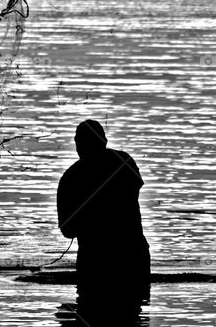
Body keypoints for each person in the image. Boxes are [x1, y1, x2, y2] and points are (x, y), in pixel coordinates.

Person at [56, 119, 150, 301]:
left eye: (89, 142)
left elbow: (132, 190)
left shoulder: (123, 162)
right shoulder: (70, 179)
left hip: (129, 255)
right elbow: (67, 230)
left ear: (104, 142)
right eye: (81, 143)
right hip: (94, 260)